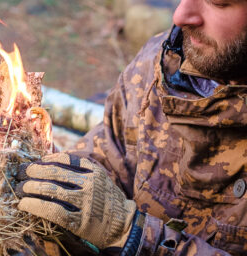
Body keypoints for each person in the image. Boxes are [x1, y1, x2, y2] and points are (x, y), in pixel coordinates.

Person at [15, 0, 247, 255]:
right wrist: (60, 200)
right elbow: (110, 153)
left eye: (218, 2)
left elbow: (124, 232)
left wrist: (134, 237)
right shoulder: (159, 63)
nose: (180, 15)